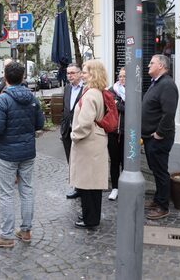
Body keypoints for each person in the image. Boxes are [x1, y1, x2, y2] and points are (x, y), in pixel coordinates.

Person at [0, 61, 45, 248]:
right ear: (23, 77)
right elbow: (39, 124)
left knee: (7, 193)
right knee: (27, 190)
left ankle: (6, 236)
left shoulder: (2, 99)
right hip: (27, 152)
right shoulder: (32, 98)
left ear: (5, 77)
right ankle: (26, 230)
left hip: (8, 153)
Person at [70, 59, 109, 230]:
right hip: (95, 141)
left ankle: (89, 218)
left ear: (93, 73)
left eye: (85, 71)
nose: (82, 74)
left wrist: (74, 135)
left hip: (87, 143)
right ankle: (92, 216)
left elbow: (85, 123)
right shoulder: (97, 91)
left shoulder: (91, 94)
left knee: (86, 184)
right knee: (93, 184)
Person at [142, 54, 179, 220]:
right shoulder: (157, 83)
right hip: (151, 137)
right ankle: (158, 199)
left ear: (162, 66)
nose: (148, 65)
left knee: (161, 171)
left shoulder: (167, 85)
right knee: (156, 171)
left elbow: (169, 113)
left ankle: (163, 206)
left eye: (152, 63)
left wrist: (159, 134)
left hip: (159, 138)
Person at [60, 63, 84, 199]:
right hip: (67, 130)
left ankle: (82, 187)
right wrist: (63, 127)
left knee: (80, 160)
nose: (70, 76)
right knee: (71, 160)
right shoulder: (67, 88)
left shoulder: (85, 89)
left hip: (80, 131)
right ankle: (76, 186)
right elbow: (65, 109)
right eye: (68, 73)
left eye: (73, 73)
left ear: (80, 74)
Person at [107, 68, 126, 201]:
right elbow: (108, 108)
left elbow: (134, 109)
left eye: (124, 76)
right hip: (113, 132)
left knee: (126, 162)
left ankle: (125, 187)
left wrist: (117, 104)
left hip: (127, 132)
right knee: (114, 161)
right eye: (120, 76)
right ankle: (115, 187)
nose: (121, 78)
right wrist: (118, 105)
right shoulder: (111, 91)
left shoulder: (135, 91)